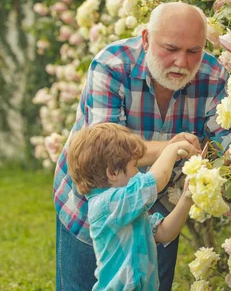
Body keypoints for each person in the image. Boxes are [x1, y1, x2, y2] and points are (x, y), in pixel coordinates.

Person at [54, 1, 231, 290]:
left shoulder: (213, 76)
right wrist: (173, 147)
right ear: (146, 38)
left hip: (157, 207)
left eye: (193, 51)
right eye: (171, 49)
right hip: (89, 207)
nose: (182, 63)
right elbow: (105, 157)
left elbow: (223, 145)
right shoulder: (112, 66)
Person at [66, 122, 197, 291]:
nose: (139, 173)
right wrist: (171, 150)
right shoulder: (106, 205)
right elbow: (155, 181)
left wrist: (186, 199)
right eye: (135, 166)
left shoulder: (125, 208)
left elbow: (164, 232)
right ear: (112, 173)